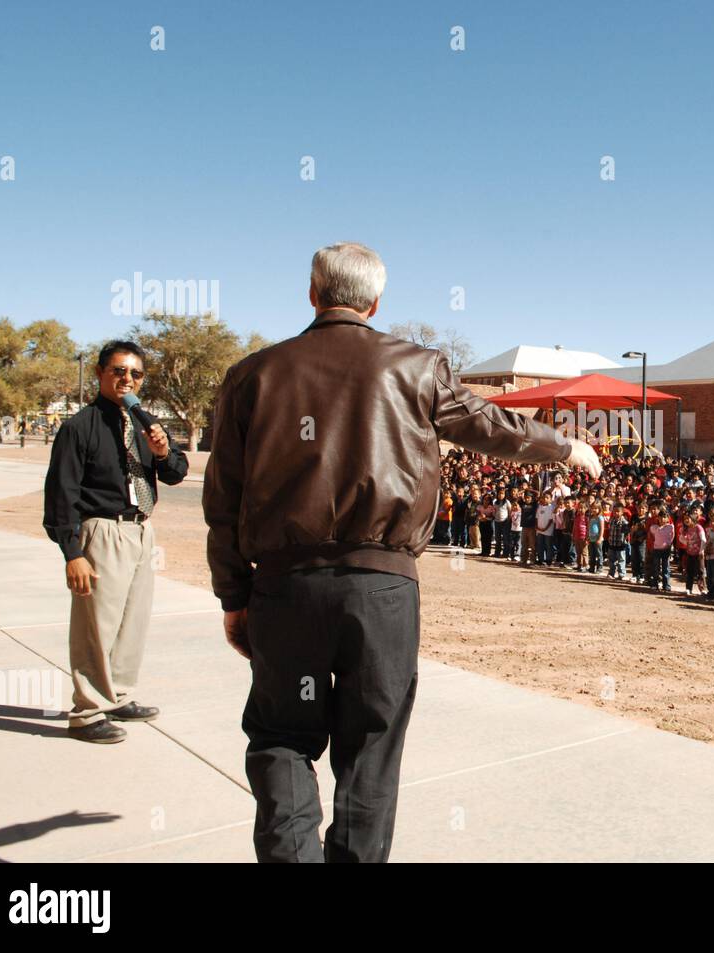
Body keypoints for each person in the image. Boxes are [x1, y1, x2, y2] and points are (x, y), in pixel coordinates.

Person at [201, 242, 601, 863]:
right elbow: (491, 425)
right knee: (369, 752)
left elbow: (222, 500)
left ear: (312, 293)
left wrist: (234, 597)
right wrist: (564, 446)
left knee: (283, 737)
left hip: (285, 590)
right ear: (375, 301)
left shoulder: (254, 374)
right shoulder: (417, 367)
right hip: (381, 592)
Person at [43, 340, 189, 743]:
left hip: (141, 530)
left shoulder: (146, 423)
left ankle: (118, 694)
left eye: (136, 373)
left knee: (132, 623)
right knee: (97, 627)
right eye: (119, 371)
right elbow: (61, 495)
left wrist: (162, 453)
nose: (127, 379)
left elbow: (177, 472)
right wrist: (73, 553)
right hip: (102, 532)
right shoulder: (80, 427)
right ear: (100, 374)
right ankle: (88, 712)